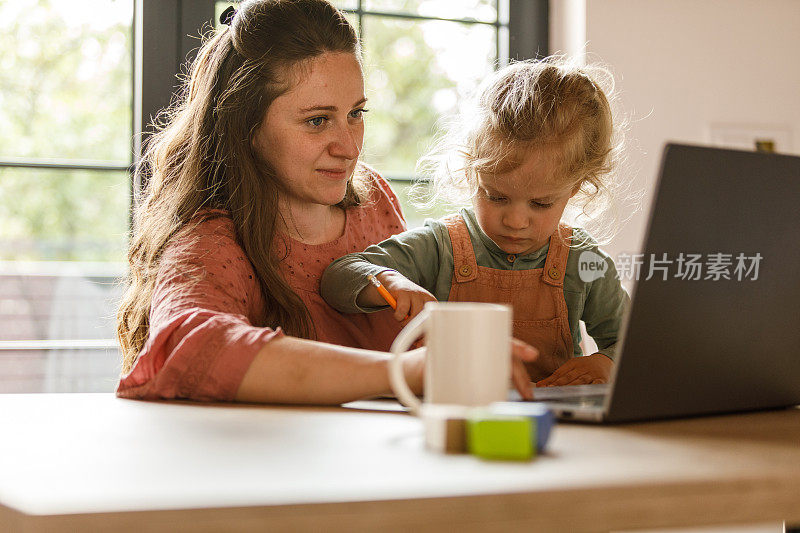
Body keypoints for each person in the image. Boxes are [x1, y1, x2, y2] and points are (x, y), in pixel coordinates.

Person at [116, 0, 537, 405]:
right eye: (317, 121)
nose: (349, 147)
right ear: (244, 126)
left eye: (356, 114)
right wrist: (403, 373)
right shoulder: (211, 240)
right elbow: (191, 347)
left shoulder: (373, 200)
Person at [321, 57, 630, 387]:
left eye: (540, 203)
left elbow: (633, 341)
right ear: (470, 174)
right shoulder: (440, 246)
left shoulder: (583, 258)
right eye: (496, 196)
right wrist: (387, 281)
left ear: (576, 188)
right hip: (457, 416)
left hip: (555, 424)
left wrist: (606, 362)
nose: (515, 220)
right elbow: (338, 277)